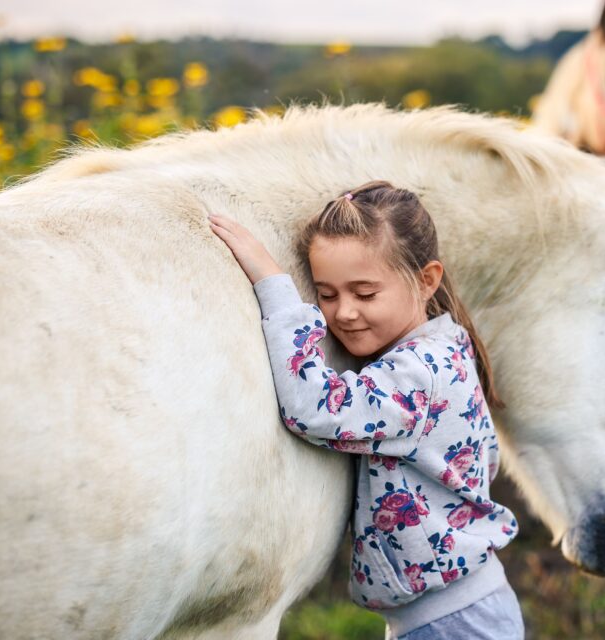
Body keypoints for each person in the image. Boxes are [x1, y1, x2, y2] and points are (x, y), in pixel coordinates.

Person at [208, 181, 523, 639]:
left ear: (426, 279)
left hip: (453, 624)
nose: (344, 313)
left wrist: (274, 287)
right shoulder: (447, 349)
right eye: (327, 295)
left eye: (365, 293)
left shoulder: (419, 372)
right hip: (458, 614)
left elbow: (312, 407)